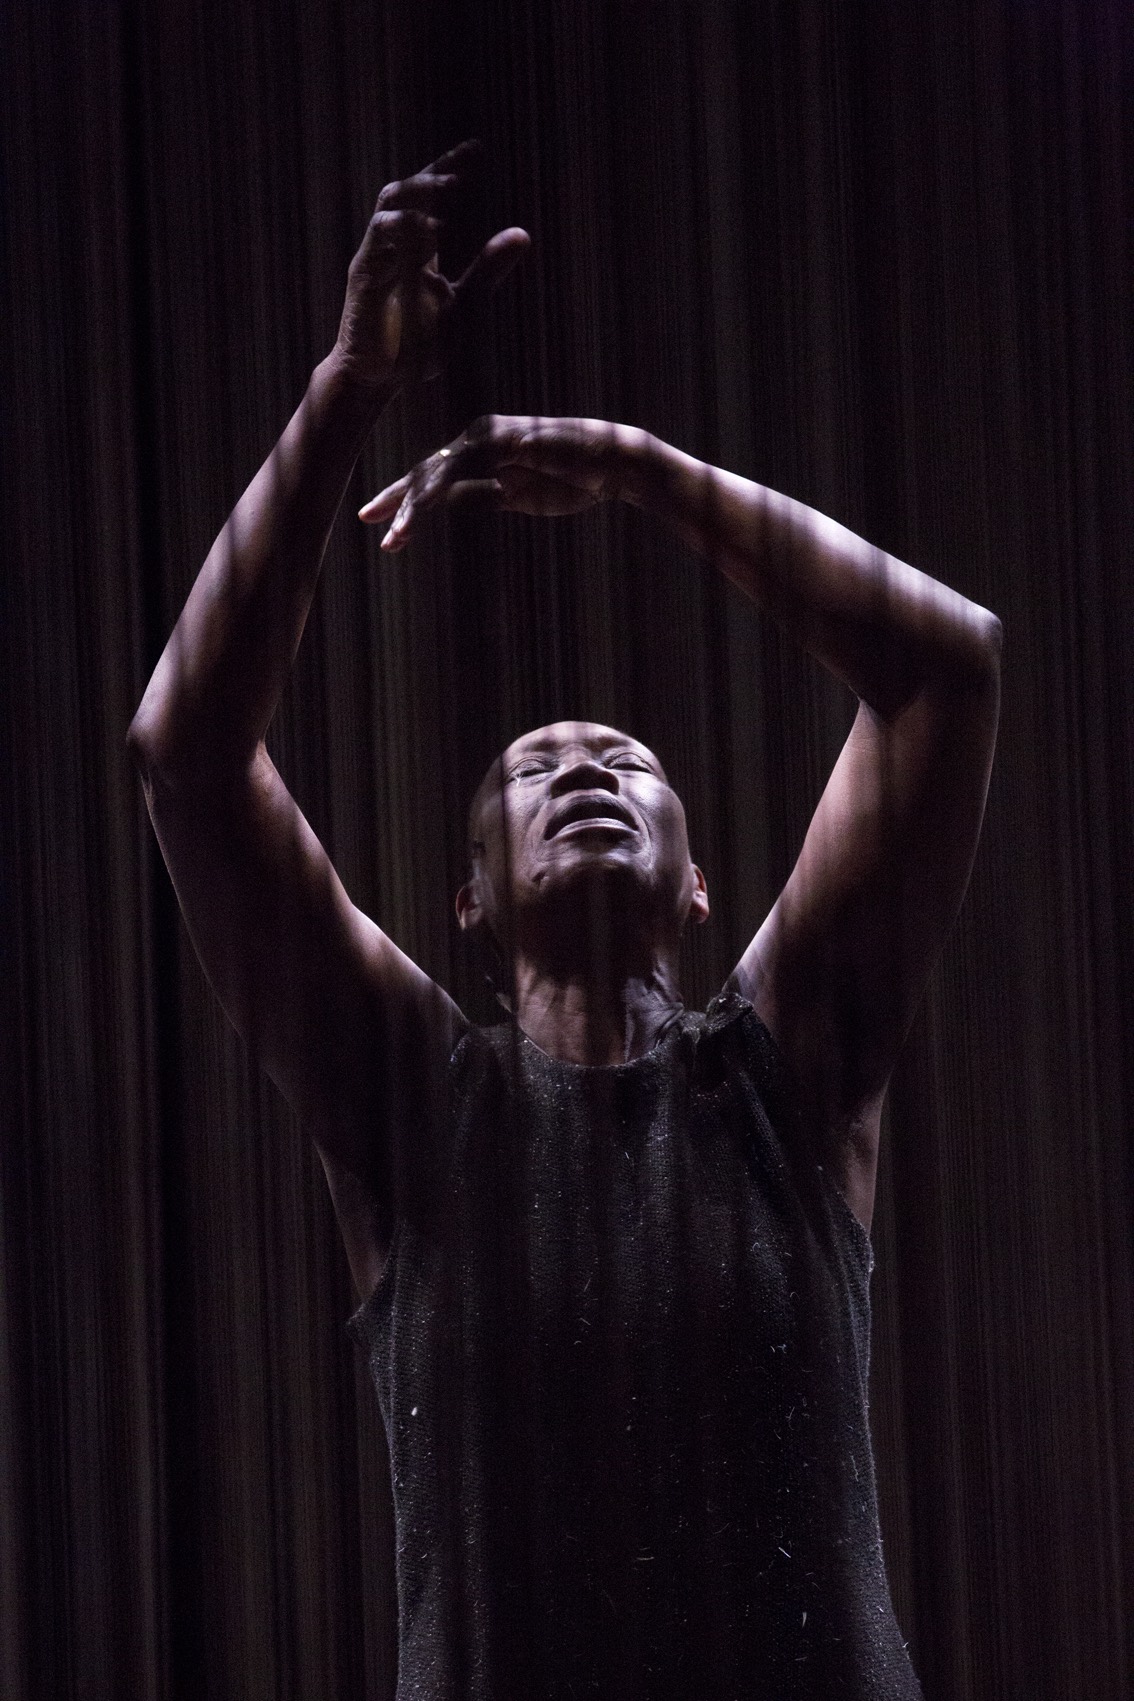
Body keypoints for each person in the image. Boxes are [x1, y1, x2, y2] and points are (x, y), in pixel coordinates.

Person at [129, 144, 1001, 1699]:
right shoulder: (416, 1110)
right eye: (531, 770)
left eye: (623, 762)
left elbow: (949, 666)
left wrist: (647, 470)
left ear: (697, 881)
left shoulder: (784, 1079)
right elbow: (185, 751)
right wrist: (346, 390)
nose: (583, 769)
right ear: (468, 897)